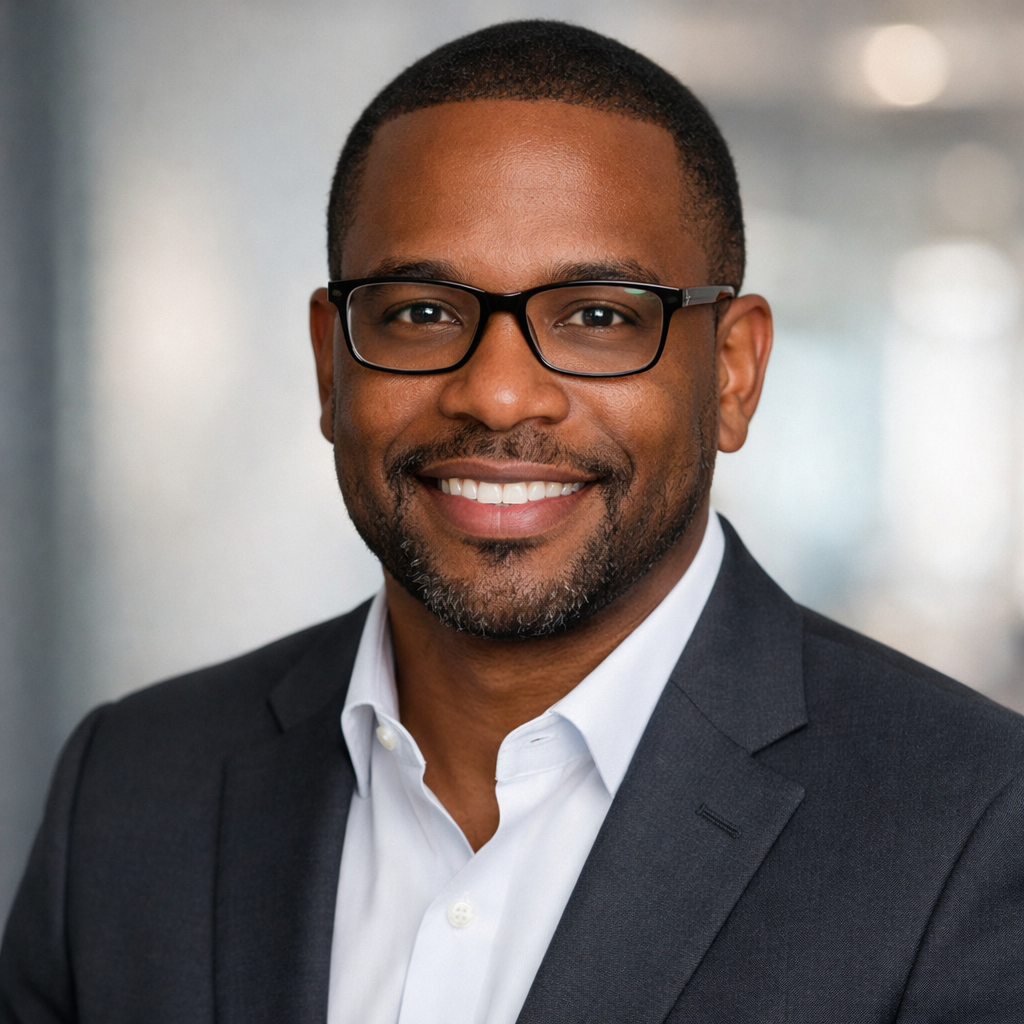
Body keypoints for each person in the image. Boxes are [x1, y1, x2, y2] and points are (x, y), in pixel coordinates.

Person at [2, 19, 1023, 1024]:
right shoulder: (130, 787)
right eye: (419, 312)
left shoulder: (973, 826)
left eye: (596, 315)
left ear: (731, 371)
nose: (495, 395)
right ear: (331, 361)